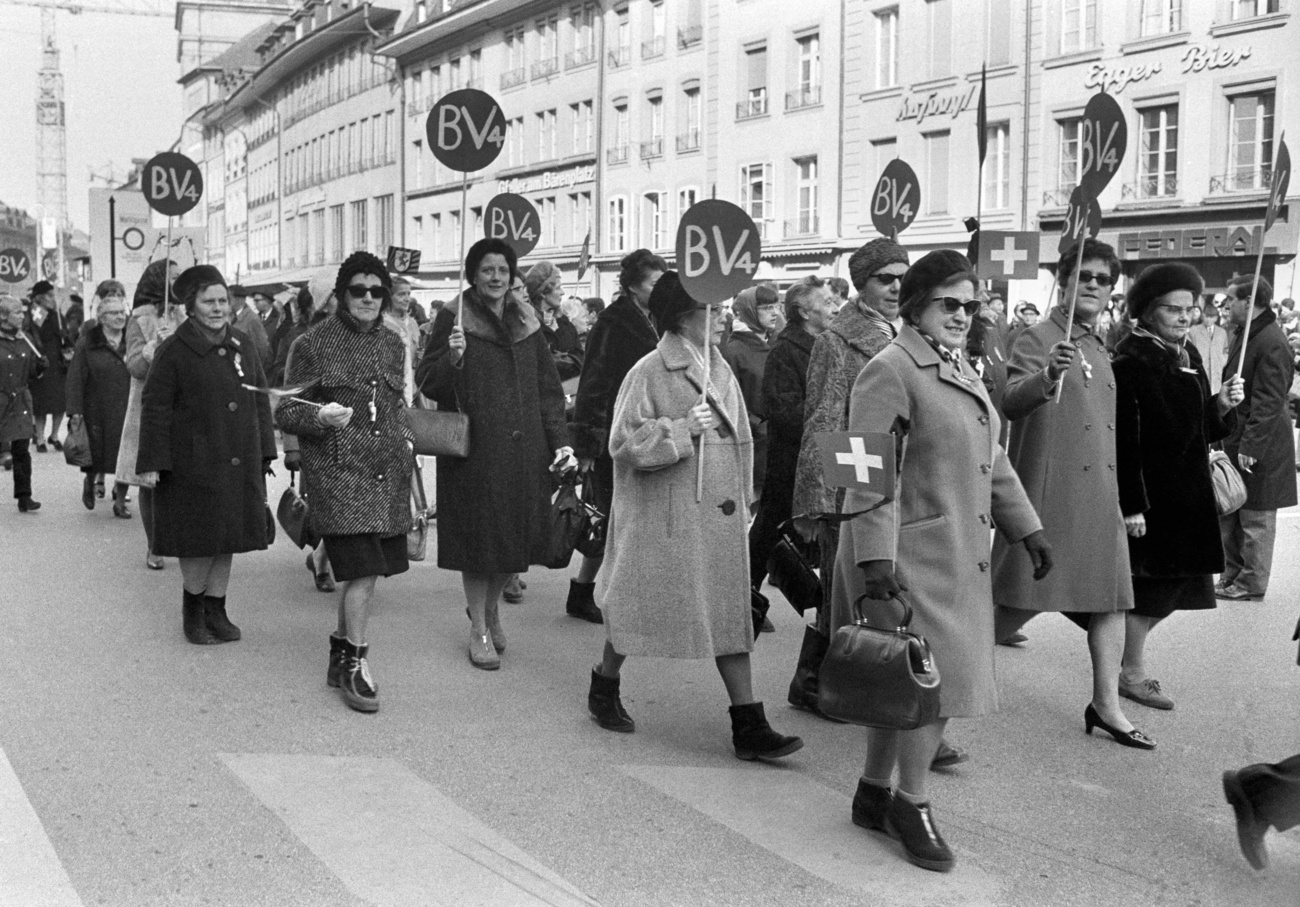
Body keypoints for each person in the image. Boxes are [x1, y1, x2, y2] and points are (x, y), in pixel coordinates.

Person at [834, 250, 1050, 873]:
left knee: (898, 681)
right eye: (948, 304)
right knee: (935, 684)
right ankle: (912, 802)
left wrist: (1027, 527)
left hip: (953, 552)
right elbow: (857, 470)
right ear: (915, 308)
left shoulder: (955, 366)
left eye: (970, 305)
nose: (963, 315)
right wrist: (875, 559)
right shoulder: (889, 369)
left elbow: (992, 457)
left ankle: (872, 794)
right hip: (904, 557)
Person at [584, 270, 804, 762]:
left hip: (716, 515)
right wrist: (682, 429)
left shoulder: (719, 365)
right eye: (714, 310)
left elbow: (741, 436)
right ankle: (605, 683)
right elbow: (622, 443)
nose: (724, 317)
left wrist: (746, 492)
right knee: (636, 606)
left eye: (724, 309)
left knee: (728, 614)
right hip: (665, 517)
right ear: (684, 317)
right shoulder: (649, 369)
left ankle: (749, 723)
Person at [992, 239, 1153, 750]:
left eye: (1103, 280)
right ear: (1064, 280)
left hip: (1099, 492)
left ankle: (1107, 705)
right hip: (1051, 489)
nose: (1093, 286)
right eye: (1083, 276)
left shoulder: (1102, 344)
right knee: (1014, 607)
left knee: (1112, 599)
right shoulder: (1038, 337)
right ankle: (939, 675)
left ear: (1113, 289)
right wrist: (1047, 374)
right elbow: (1011, 403)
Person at [416, 238, 573, 670]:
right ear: (473, 273)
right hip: (476, 450)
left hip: (526, 450)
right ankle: (478, 629)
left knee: (514, 539)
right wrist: (452, 358)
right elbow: (428, 382)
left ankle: (489, 610)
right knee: (478, 541)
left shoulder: (528, 319)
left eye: (503, 270)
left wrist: (560, 440)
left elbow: (548, 388)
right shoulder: (454, 317)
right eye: (487, 270)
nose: (496, 278)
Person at [790, 239, 925, 731]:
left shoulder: (911, 330)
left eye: (902, 276)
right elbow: (825, 418)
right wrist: (821, 499)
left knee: (871, 593)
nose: (896, 286)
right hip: (857, 482)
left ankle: (815, 681)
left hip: (909, 483)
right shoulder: (837, 339)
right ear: (863, 284)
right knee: (850, 592)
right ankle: (833, 686)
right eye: (885, 278)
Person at [276, 252, 412, 712]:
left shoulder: (394, 344)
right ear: (340, 295)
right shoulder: (312, 344)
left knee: (364, 574)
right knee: (361, 573)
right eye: (359, 290)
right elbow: (286, 409)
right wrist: (319, 415)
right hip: (338, 476)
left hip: (386, 474)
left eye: (378, 291)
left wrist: (407, 446)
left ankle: (339, 654)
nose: (369, 298)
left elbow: (396, 408)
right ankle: (356, 665)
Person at [1112, 264, 1243, 711]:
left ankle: (1122, 659)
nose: (1185, 316)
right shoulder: (1130, 363)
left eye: (1191, 308)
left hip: (1188, 498)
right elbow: (1124, 441)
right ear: (1147, 311)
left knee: (1175, 590)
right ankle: (1131, 672)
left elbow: (1198, 429)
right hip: (1155, 499)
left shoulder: (1186, 358)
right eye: (1173, 308)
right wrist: (1132, 505)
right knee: (1151, 592)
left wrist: (1220, 406)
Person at [136, 265, 276, 645]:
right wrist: (150, 462)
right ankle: (193, 612)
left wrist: (265, 451)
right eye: (208, 302)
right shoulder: (173, 350)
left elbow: (260, 399)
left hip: (237, 457)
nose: (218, 308)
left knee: (228, 537)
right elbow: (155, 408)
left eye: (222, 301)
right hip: (192, 463)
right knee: (198, 540)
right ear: (191, 307)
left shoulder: (242, 344)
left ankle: (217, 610)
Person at [749, 277, 838, 715]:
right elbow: (781, 408)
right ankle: (744, 598)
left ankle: (751, 595)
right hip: (791, 459)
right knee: (769, 529)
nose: (834, 305)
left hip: (818, 457)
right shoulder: (788, 350)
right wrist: (827, 418)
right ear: (804, 311)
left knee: (775, 533)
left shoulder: (827, 343)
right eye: (825, 301)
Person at [568, 250, 666, 623]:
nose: (658, 290)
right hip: (613, 434)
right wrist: (589, 446)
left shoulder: (656, 318)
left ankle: (584, 592)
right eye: (652, 283)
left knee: (622, 518)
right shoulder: (612, 322)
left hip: (644, 430)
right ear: (631, 286)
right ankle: (598, 594)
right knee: (611, 518)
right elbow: (594, 382)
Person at [1217, 275, 1297, 601]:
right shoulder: (1249, 334)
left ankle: (1251, 584)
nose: (1224, 306)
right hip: (1239, 436)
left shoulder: (1271, 341)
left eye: (1230, 299)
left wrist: (1251, 445)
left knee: (1256, 518)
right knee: (1233, 511)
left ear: (1249, 302)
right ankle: (1232, 575)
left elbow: (1269, 400)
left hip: (1260, 443)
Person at [118, 260, 184, 569]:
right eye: (175, 276)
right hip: (149, 408)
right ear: (160, 281)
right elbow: (134, 367)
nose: (181, 280)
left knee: (182, 477)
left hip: (184, 406)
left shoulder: (186, 313)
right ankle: (154, 544)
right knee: (150, 479)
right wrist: (154, 347)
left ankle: (180, 539)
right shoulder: (140, 320)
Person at [281, 276, 340, 593]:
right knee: (326, 510)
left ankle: (324, 558)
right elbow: (290, 398)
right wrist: (291, 447)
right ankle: (323, 563)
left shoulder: (360, 336)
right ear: (325, 301)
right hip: (315, 439)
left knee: (346, 507)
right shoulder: (303, 341)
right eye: (338, 294)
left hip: (354, 439)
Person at [65, 280, 132, 517]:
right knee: (96, 454)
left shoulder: (131, 340)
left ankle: (120, 500)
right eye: (113, 313)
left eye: (122, 312)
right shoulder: (88, 342)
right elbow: (75, 378)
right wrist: (75, 411)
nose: (119, 317)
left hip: (128, 406)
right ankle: (90, 482)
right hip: (97, 407)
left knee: (126, 456)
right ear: (102, 318)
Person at [721, 283, 780, 509]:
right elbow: (730, 402)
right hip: (754, 448)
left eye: (777, 306)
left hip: (772, 446)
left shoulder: (771, 343)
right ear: (749, 311)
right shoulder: (734, 351)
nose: (775, 312)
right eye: (766, 307)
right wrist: (758, 425)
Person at [0, 294, 46, 512]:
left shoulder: (25, 339)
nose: (22, 315)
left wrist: (40, 368)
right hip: (0, 400)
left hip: (20, 401)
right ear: (3, 317)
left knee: (21, 450)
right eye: (16, 312)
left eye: (21, 311)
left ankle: (24, 496)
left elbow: (30, 373)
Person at [28, 281, 71, 452]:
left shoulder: (56, 314)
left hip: (57, 361)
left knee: (58, 403)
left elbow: (66, 337)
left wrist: (64, 335)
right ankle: (39, 438)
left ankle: (54, 436)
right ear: (40, 297)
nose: (53, 299)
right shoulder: (35, 312)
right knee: (41, 403)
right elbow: (37, 334)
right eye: (50, 295)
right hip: (42, 360)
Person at [526, 260, 584, 381]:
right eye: (558, 288)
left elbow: (581, 355)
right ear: (543, 293)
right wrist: (549, 361)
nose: (563, 292)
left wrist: (570, 360)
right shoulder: (526, 325)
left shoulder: (565, 323)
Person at [1189, 298, 1231, 394]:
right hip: (1200, 370)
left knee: (1215, 398)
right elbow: (1189, 350)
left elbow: (1226, 350)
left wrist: (1221, 362)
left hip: (1216, 371)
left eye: (1211, 317)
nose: (1208, 319)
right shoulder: (1193, 331)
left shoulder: (1222, 332)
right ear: (1202, 315)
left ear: (1216, 318)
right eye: (1206, 316)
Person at [227, 284, 272, 367]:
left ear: (238, 299)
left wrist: (254, 369)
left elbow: (262, 348)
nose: (226, 302)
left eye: (229, 298)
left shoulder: (252, 319)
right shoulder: (229, 317)